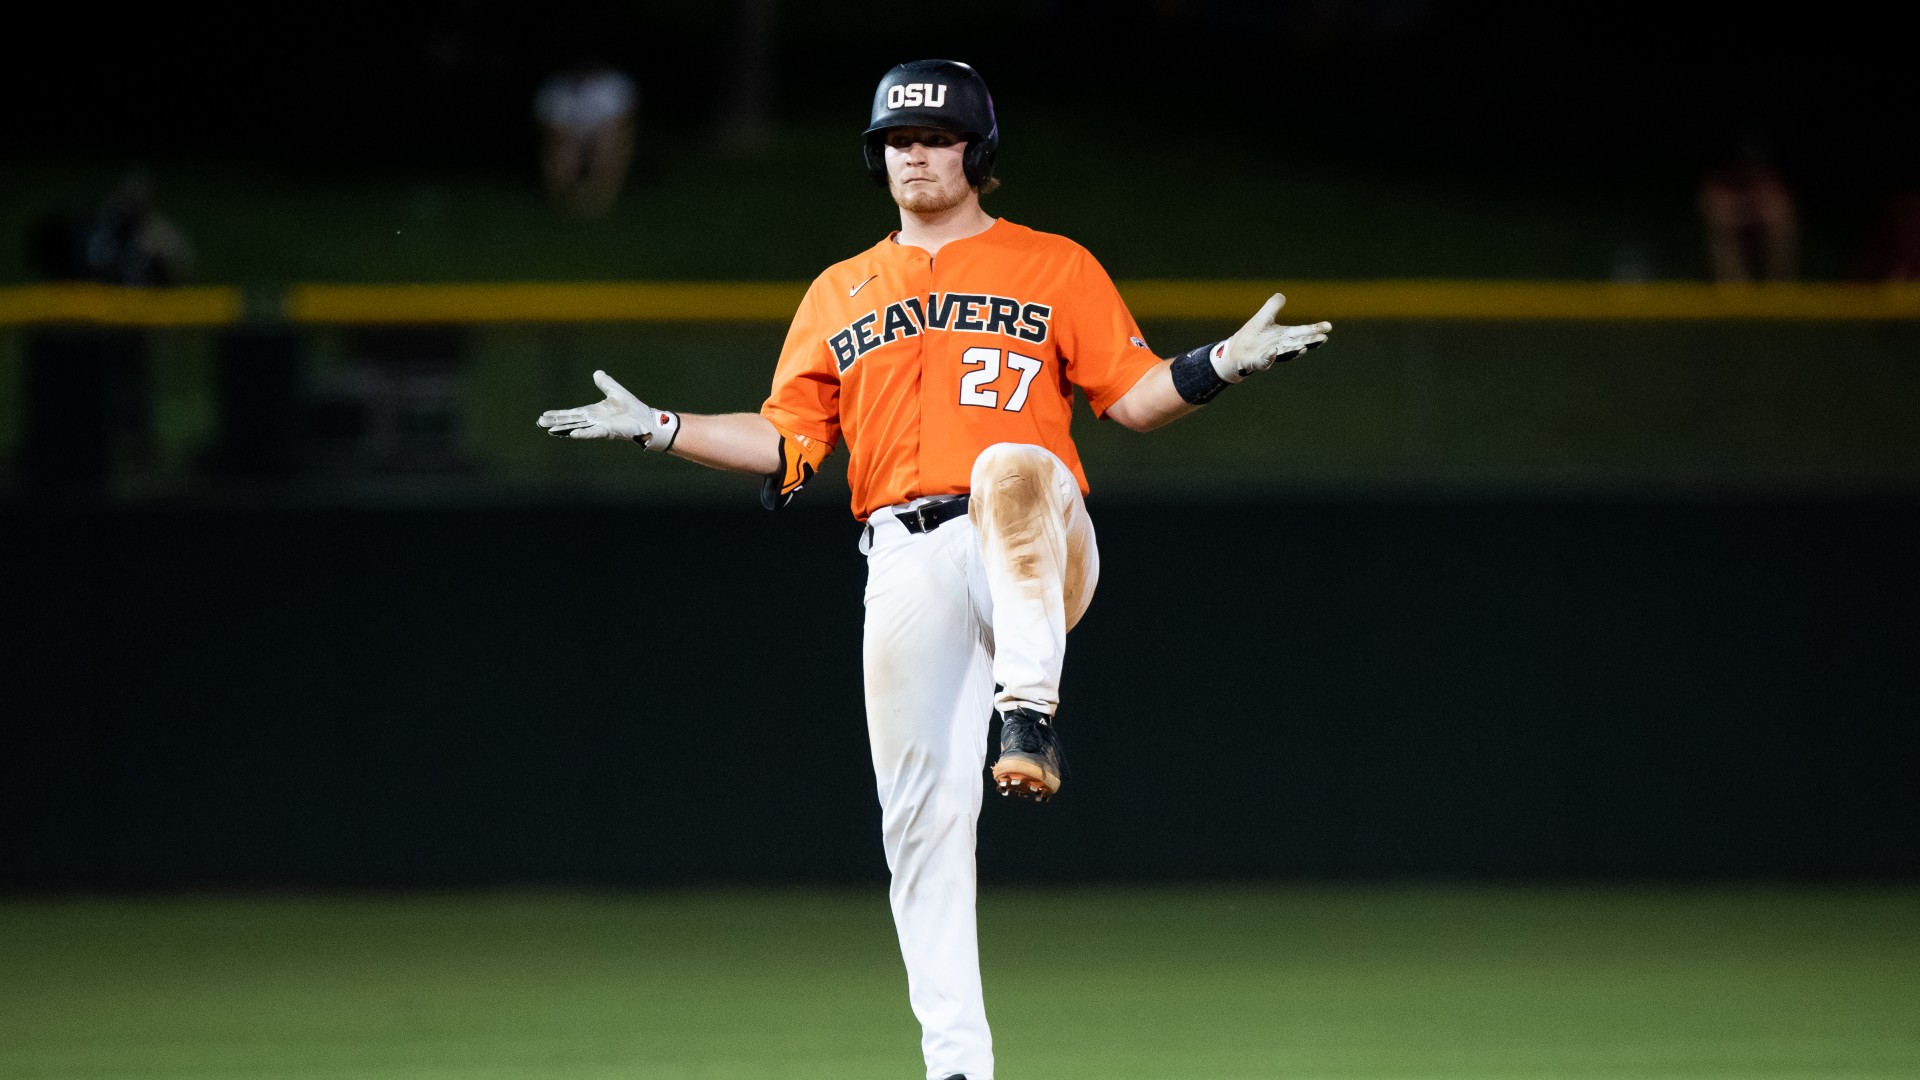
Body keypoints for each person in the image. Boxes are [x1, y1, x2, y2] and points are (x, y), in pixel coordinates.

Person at [536, 59, 1332, 1080]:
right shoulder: (840, 291)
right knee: (917, 821)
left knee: (1009, 463)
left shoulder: (1055, 266)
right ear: (880, 156)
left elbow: (1132, 398)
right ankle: (958, 1067)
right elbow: (787, 441)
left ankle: (1029, 711)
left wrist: (1217, 364)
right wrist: (662, 426)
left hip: (1038, 539)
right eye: (898, 140)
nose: (915, 153)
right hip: (903, 556)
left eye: (938, 137)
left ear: (977, 152)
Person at [532, 45, 638, 217]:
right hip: (569, 138)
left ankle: (598, 201)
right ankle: (565, 203)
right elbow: (550, 128)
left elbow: (623, 124)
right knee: (559, 151)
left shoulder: (615, 85)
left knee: (612, 145)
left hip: (603, 137)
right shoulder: (556, 89)